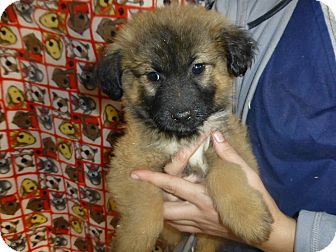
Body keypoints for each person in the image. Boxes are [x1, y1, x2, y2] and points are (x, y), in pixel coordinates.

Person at [131, 0, 336, 251]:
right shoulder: (212, 9)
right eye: (154, 77)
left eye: (198, 69)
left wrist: (287, 237)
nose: (180, 108)